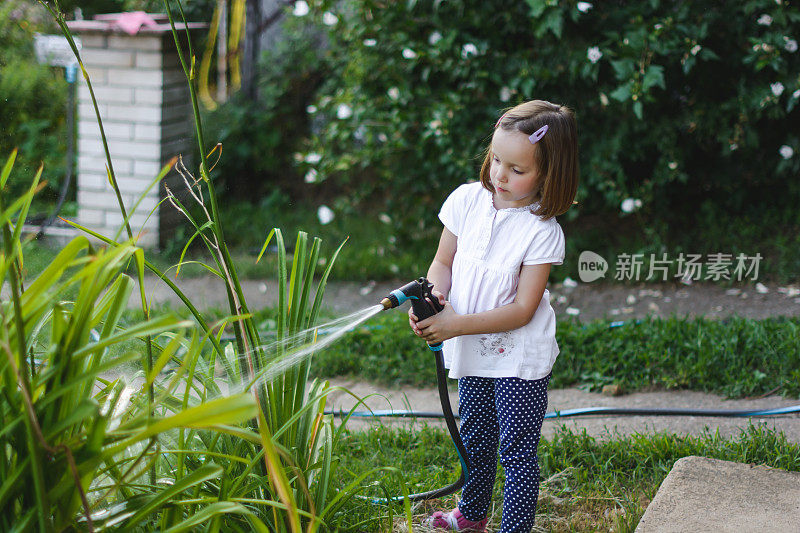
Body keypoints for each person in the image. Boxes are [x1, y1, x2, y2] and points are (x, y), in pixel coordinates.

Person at [409, 100, 579, 532]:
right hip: (470, 348)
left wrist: (453, 325)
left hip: (517, 359)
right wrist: (436, 298)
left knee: (517, 448)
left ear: (549, 174)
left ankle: (515, 527)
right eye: (496, 159)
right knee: (476, 438)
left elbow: (523, 309)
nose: (500, 175)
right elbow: (442, 262)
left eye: (517, 170)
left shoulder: (542, 231)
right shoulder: (468, 200)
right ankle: (472, 515)